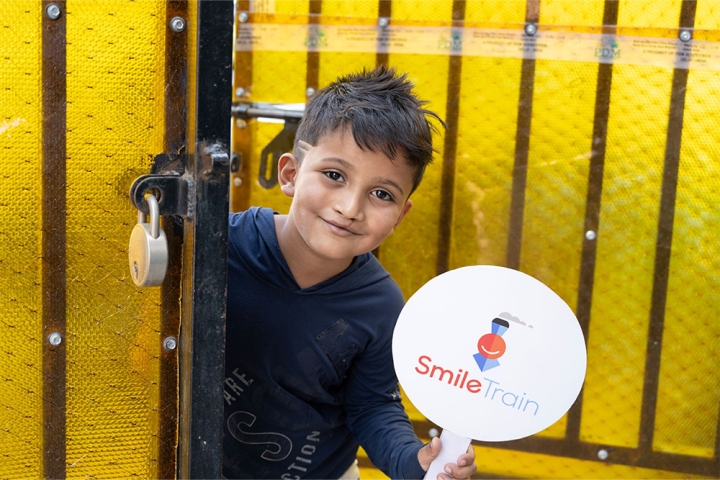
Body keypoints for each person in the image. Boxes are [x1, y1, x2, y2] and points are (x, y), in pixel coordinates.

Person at [223, 66, 477, 479]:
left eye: (381, 194)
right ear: (290, 174)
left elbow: (372, 405)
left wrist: (415, 464)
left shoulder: (381, 305)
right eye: (334, 175)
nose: (349, 207)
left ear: (400, 216)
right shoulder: (219, 249)